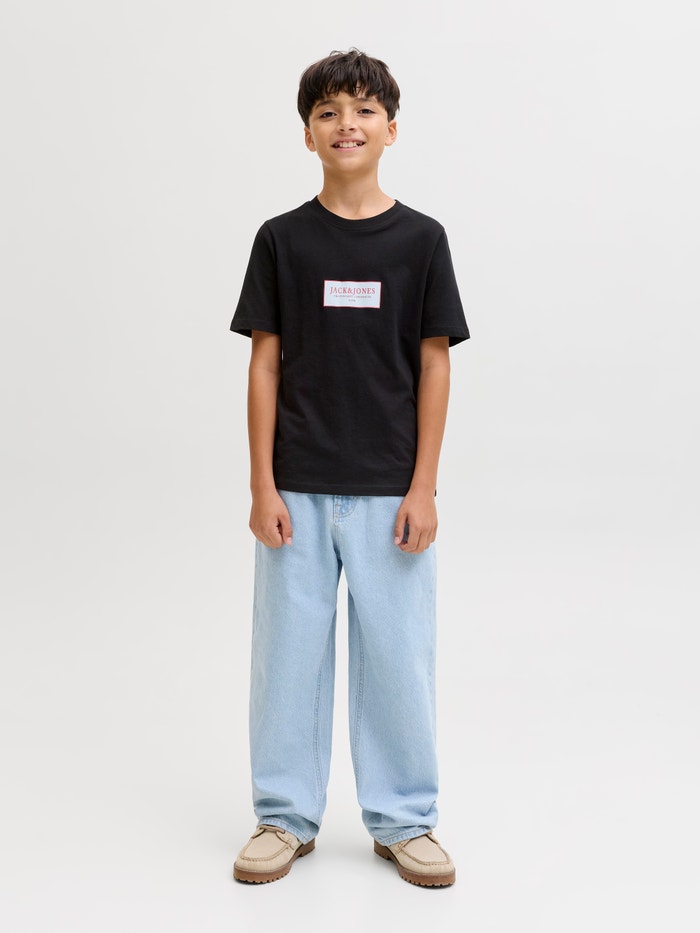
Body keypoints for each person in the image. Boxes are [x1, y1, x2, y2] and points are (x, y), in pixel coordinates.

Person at [229, 48, 469, 887]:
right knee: (288, 660)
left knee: (398, 658)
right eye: (328, 111)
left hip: (390, 492)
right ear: (307, 134)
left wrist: (424, 486)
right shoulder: (282, 240)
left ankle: (405, 819)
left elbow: (435, 363)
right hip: (295, 488)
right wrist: (261, 483)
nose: (347, 124)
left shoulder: (421, 241)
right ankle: (282, 814)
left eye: (364, 110)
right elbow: (264, 363)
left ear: (391, 129)